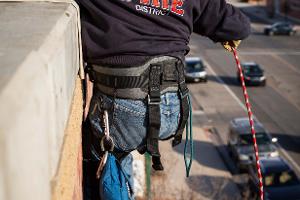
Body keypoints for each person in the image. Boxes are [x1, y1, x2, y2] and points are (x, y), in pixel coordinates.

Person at [75, 0, 251, 199]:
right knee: (119, 151)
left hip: (124, 108)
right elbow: (239, 26)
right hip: (173, 108)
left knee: (100, 160)